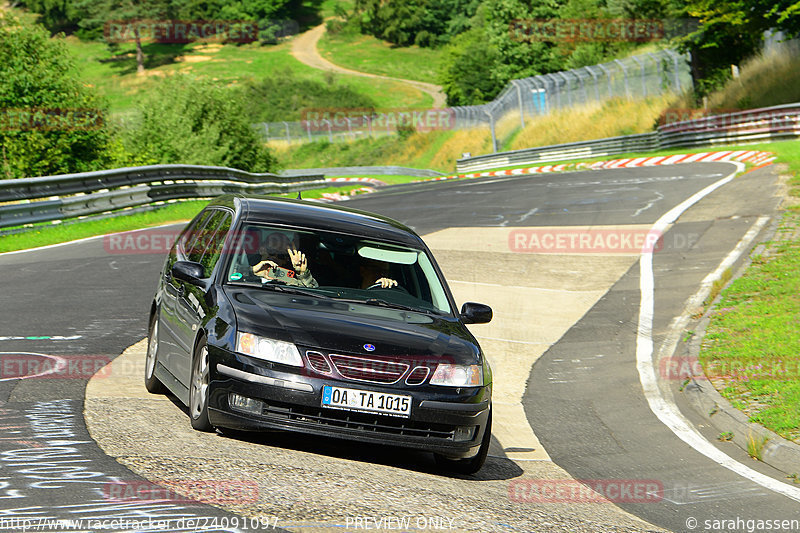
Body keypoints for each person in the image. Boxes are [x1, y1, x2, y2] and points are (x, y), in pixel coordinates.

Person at [250, 231, 318, 288]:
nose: (275, 257)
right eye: (272, 251)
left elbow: (311, 292)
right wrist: (252, 272)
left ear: (286, 260)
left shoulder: (288, 280)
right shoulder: (245, 272)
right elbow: (239, 277)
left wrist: (302, 273)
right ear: (262, 250)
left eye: (281, 255)